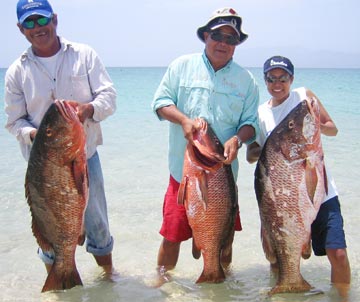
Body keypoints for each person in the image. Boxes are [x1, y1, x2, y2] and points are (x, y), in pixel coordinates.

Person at [4, 0, 117, 278]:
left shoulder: (84, 55)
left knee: (98, 224)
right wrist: (35, 135)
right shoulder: (16, 72)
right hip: (42, 170)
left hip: (85, 158)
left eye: (41, 20)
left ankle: (108, 280)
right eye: (29, 23)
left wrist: (88, 109)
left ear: (54, 19)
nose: (37, 28)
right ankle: (59, 277)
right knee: (49, 224)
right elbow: (14, 122)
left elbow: (109, 98)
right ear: (21, 29)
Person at [151, 7, 259, 280]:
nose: (223, 43)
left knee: (224, 238)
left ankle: (222, 281)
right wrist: (183, 121)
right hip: (183, 175)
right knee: (172, 235)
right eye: (217, 35)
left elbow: (251, 123)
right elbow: (161, 103)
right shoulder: (181, 66)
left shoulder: (247, 81)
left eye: (231, 39)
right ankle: (163, 284)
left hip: (223, 179)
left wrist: (238, 138)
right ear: (205, 37)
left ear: (236, 46)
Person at [247, 55, 351, 295]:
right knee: (280, 256)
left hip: (320, 192)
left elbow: (332, 128)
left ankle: (345, 298)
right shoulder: (261, 113)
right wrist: (255, 148)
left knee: (338, 253)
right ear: (265, 80)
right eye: (271, 78)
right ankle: (284, 289)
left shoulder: (304, 97)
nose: (277, 83)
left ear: (291, 79)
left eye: (283, 78)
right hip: (282, 199)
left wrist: (315, 124)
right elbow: (253, 155)